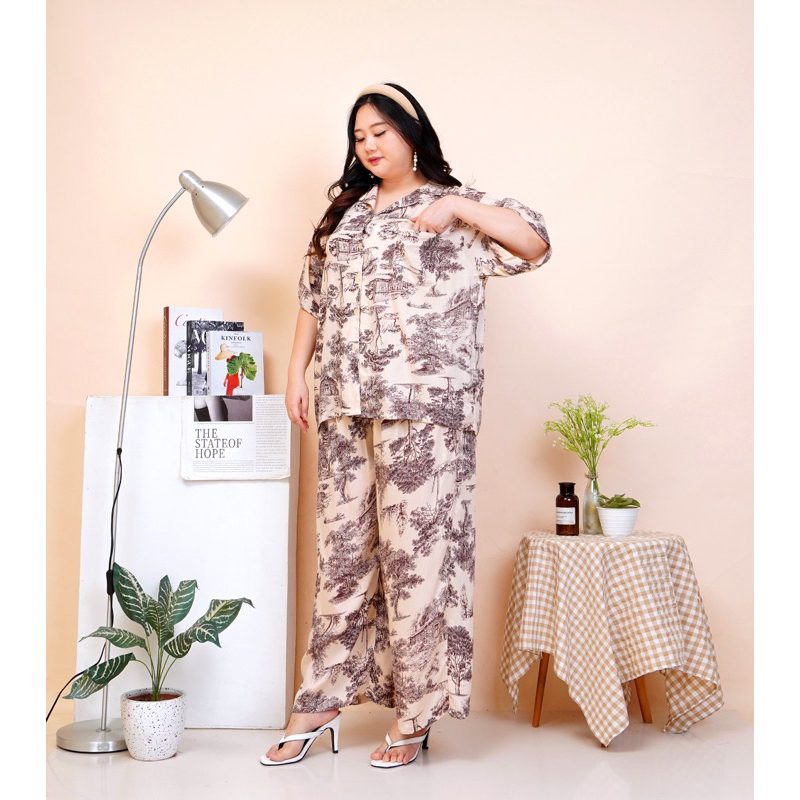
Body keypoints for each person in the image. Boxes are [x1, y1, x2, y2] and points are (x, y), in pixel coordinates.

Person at [261, 82, 550, 769]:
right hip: (346, 401)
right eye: (359, 136)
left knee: (417, 558)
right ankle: (320, 699)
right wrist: (297, 373)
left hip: (428, 408)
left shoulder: (457, 206)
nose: (369, 145)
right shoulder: (345, 215)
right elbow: (312, 296)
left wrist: (456, 206)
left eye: (381, 132)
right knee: (342, 556)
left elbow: (534, 243)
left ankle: (416, 713)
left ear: (411, 133)